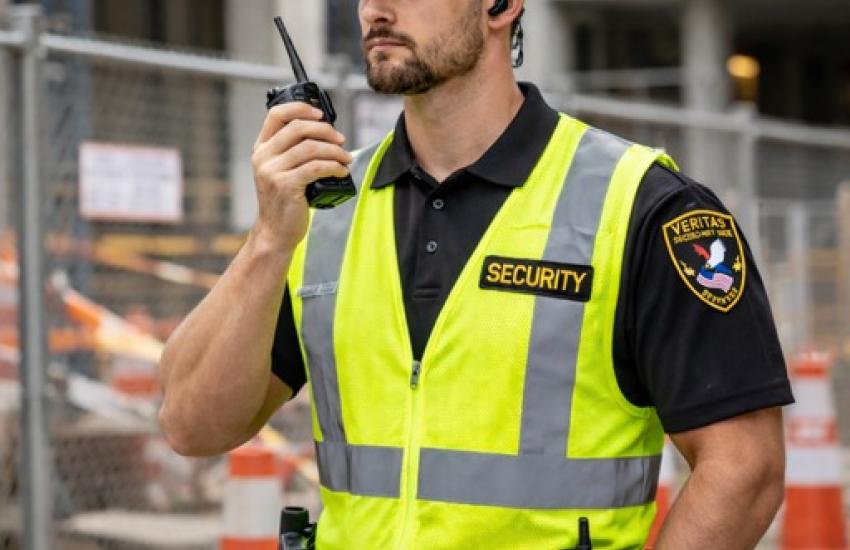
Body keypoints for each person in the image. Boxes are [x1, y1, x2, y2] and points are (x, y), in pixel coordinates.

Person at [158, 0, 793, 548]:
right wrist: (269, 240)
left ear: (501, 5)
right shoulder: (325, 209)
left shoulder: (641, 206)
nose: (375, 9)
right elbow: (191, 424)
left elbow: (745, 469)